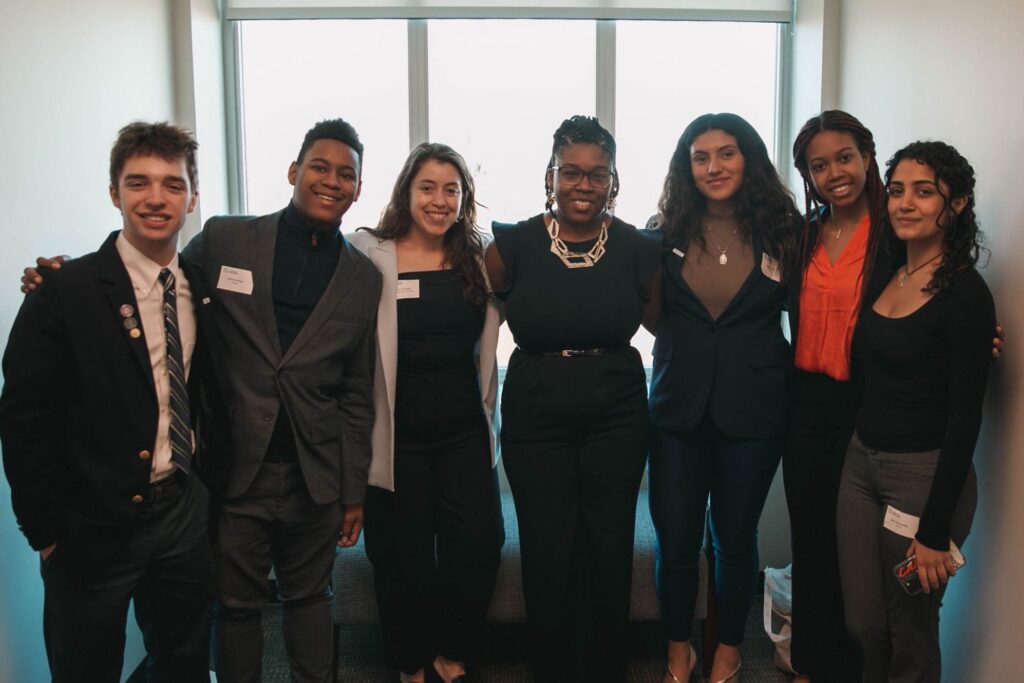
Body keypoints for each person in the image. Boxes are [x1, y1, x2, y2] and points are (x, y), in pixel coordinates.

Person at [23, 119, 384, 683]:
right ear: (294, 171)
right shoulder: (226, 240)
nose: (331, 180)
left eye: (346, 174)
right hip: (232, 472)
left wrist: (352, 487)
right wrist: (62, 274)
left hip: (313, 474)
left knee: (304, 602)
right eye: (319, 166)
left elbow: (359, 391)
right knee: (230, 608)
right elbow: (140, 272)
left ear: (359, 188)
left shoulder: (364, 278)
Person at [0, 121, 226, 681]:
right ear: (114, 193)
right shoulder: (61, 294)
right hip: (89, 529)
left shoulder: (201, 285)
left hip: (182, 514)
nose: (156, 199)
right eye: (138, 183)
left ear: (193, 197)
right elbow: (25, 422)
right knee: (86, 669)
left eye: (173, 185)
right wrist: (46, 535)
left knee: (183, 663)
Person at [484, 115, 661, 682]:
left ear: (614, 180)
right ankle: (552, 668)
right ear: (550, 175)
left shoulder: (638, 246)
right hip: (537, 413)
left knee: (608, 544)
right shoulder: (512, 244)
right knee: (547, 545)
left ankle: (608, 668)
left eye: (597, 175)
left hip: (618, 412)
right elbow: (468, 312)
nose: (583, 185)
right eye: (571, 173)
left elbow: (666, 325)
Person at [647, 112, 798, 683]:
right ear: (687, 167)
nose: (714, 166)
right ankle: (677, 648)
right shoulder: (663, 230)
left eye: (726, 153)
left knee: (735, 540)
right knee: (676, 540)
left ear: (748, 157)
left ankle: (730, 649)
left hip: (755, 413)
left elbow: (828, 304)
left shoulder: (784, 231)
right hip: (676, 412)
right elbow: (646, 311)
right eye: (701, 156)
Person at [836, 141, 994, 682]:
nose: (905, 203)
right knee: (861, 622)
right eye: (898, 190)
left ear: (956, 205)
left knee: (910, 628)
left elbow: (965, 420)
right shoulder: (887, 272)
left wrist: (933, 530)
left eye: (924, 192)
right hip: (860, 467)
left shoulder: (966, 295)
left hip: (921, 478)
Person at [349, 142, 504, 683]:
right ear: (406, 192)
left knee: (484, 539)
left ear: (464, 199)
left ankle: (454, 655)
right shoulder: (372, 252)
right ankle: (410, 664)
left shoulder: (480, 256)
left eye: (451, 190)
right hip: (396, 436)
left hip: (462, 430)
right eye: (428, 188)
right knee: (400, 556)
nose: (439, 201)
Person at [785, 110, 896, 682]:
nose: (835, 174)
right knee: (813, 542)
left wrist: (980, 334)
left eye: (844, 158)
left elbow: (937, 296)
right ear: (807, 174)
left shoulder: (895, 233)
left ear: (868, 156)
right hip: (805, 408)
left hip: (869, 407)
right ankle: (810, 664)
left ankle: (859, 671)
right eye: (819, 165)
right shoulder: (800, 235)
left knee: (863, 556)